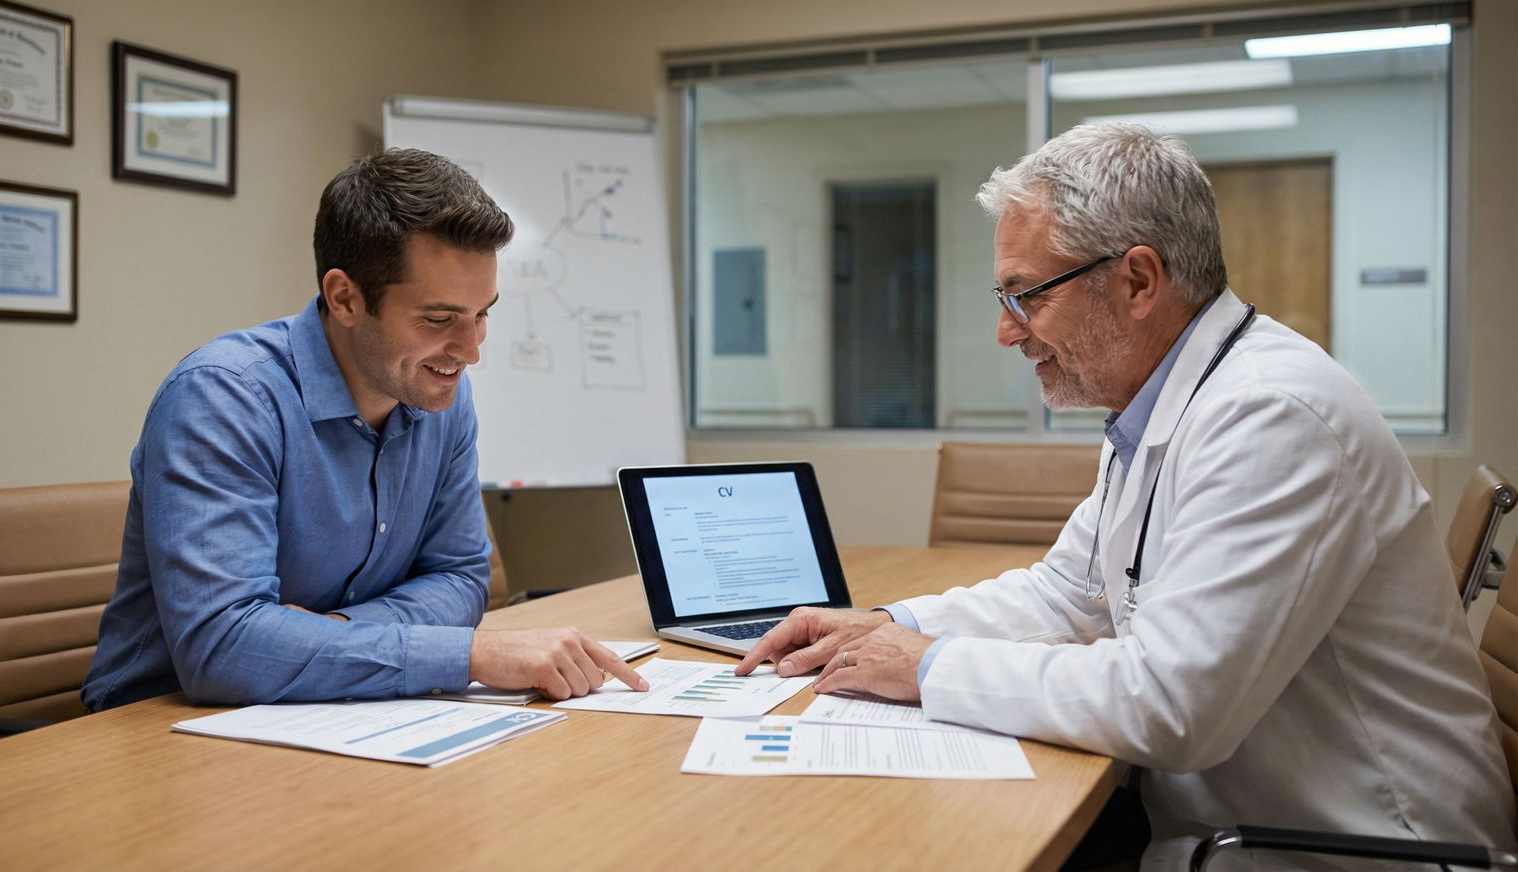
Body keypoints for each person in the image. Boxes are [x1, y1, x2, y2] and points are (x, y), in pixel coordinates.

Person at [737, 123, 1515, 868]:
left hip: (1354, 851)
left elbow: (1173, 707)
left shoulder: (1272, 415)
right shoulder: (1164, 405)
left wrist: (930, 664)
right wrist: (884, 626)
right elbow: (1067, 596)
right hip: (1229, 825)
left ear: (1139, 280)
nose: (1009, 333)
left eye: (1027, 296)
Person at [84, 148, 646, 711]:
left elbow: (461, 578)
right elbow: (224, 650)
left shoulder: (440, 394)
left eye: (483, 315)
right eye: (438, 319)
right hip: (158, 726)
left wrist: (330, 633)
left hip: (340, 710)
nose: (471, 351)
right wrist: (465, 655)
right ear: (345, 298)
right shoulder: (224, 396)